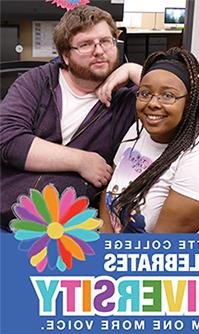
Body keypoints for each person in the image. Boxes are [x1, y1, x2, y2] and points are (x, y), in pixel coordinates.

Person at [0, 5, 142, 231]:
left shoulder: (127, 97)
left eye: (106, 41)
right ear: (65, 56)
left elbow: (185, 107)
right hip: (8, 211)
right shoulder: (38, 82)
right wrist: (81, 161)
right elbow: (8, 141)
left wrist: (134, 70)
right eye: (85, 44)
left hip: (72, 227)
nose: (99, 51)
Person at [100, 47, 199, 234]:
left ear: (190, 102)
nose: (152, 103)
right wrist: (106, 242)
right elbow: (108, 193)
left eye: (168, 96)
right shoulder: (139, 131)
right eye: (145, 93)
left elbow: (161, 248)